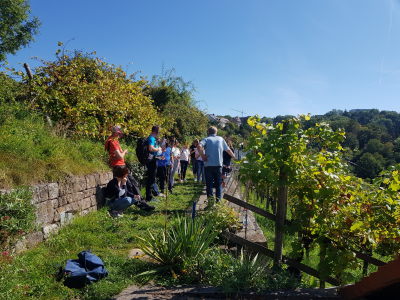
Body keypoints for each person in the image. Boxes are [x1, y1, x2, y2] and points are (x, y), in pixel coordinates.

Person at [198, 126, 235, 201]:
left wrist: (203, 156)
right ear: (216, 132)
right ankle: (218, 202)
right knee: (218, 185)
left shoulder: (206, 139)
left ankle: (211, 203)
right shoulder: (221, 139)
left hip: (208, 165)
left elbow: (199, 146)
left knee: (209, 185)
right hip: (218, 166)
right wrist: (234, 157)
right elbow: (228, 150)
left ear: (208, 132)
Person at [145, 126, 161, 202]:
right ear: (156, 132)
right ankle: (149, 197)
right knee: (151, 178)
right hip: (151, 161)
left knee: (152, 178)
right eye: (158, 131)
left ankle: (150, 196)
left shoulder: (153, 138)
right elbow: (150, 148)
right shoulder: (151, 138)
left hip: (153, 159)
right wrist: (158, 149)